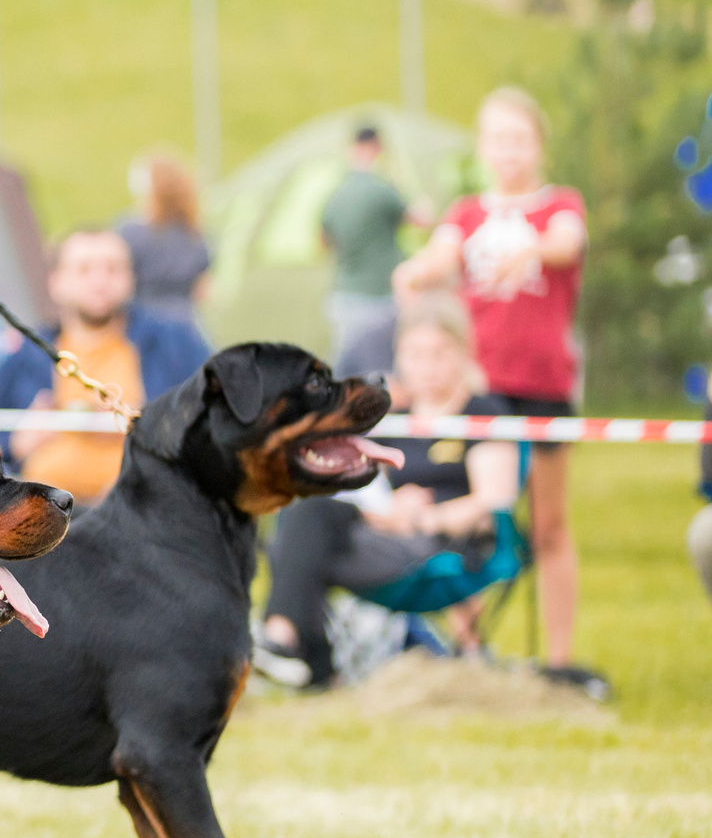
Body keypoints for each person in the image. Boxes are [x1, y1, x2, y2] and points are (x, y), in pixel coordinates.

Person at [392, 87, 603, 700]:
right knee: (472, 511)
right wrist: (415, 274)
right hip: (478, 391)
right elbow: (439, 256)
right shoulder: (465, 213)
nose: (509, 151)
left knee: (549, 526)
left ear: (537, 143)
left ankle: (559, 658)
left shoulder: (558, 206)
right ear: (483, 147)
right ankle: (471, 645)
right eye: (497, 139)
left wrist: (531, 249)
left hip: (542, 388)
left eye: (519, 138)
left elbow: (568, 241)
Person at [252, 296, 519, 690]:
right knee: (302, 521)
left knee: (300, 537)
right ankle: (294, 653)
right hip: (380, 531)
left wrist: (418, 518)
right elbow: (361, 483)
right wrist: (387, 513)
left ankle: (292, 649)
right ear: (399, 357)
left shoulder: (483, 412)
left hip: (441, 545)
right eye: (414, 354)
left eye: (439, 354)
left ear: (463, 353)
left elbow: (493, 502)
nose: (426, 367)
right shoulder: (392, 419)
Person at [0, 227, 210, 509]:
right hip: (44, 522)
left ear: (130, 279)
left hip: (145, 515)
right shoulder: (31, 353)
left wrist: (148, 432)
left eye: (113, 269)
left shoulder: (173, 342)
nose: (99, 282)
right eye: (84, 270)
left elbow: (219, 414)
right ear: (56, 283)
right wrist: (14, 443)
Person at [319, 126, 411, 376]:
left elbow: (324, 240)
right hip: (379, 296)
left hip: (344, 293)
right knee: (380, 373)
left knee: (345, 368)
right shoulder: (382, 189)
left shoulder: (336, 192)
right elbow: (417, 217)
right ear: (377, 148)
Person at [116, 152, 211, 337]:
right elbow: (203, 291)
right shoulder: (194, 233)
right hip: (189, 324)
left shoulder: (131, 233)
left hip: (142, 326)